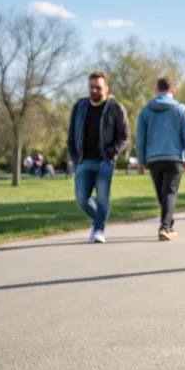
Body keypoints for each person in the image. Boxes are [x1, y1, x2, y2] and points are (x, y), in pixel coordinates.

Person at [67, 71, 130, 244]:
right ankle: (99, 220)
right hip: (83, 161)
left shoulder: (115, 108)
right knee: (81, 199)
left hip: (104, 162)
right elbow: (71, 134)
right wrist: (73, 156)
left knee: (102, 198)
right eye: (91, 87)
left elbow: (124, 136)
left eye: (98, 87)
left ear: (106, 88)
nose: (94, 90)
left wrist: (110, 152)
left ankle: (98, 230)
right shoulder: (79, 106)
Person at [136, 76, 185, 241]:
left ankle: (168, 225)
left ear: (156, 90)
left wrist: (141, 161)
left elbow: (140, 139)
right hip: (173, 158)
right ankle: (164, 227)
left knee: (163, 194)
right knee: (169, 193)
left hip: (153, 159)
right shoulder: (181, 109)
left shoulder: (146, 111)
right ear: (173, 91)